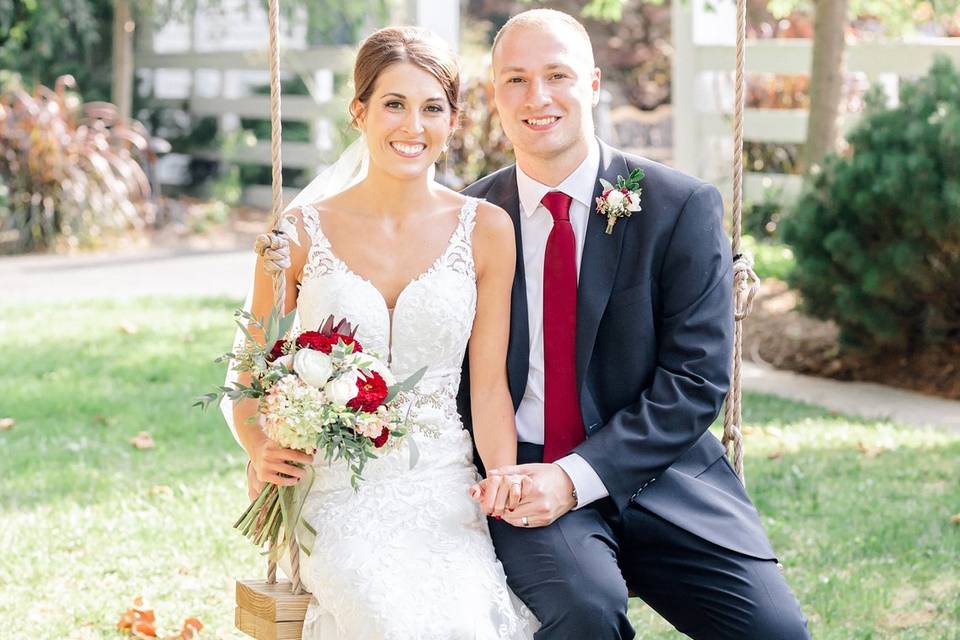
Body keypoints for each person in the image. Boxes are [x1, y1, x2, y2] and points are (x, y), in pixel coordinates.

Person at [459, 9, 811, 639]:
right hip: (527, 477)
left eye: (556, 75)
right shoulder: (468, 216)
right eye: (515, 80)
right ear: (494, 96)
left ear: (593, 85)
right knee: (585, 611)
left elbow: (696, 382)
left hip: (663, 474)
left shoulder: (679, 207)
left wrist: (576, 478)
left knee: (776, 633)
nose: (536, 97)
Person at [227, 26, 538, 639]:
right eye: (394, 104)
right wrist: (260, 446)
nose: (412, 127)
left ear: (453, 120)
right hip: (334, 488)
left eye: (432, 108)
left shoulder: (487, 230)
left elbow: (489, 385)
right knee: (383, 612)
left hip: (442, 483)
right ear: (359, 111)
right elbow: (246, 379)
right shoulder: (298, 232)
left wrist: (501, 477)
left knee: (467, 618)